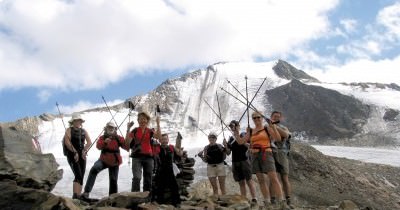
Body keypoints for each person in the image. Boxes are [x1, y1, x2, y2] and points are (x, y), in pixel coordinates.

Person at [235, 111, 287, 209]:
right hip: (254, 156)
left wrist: (273, 127)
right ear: (252, 120)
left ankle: (282, 202)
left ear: (262, 118)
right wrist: (236, 133)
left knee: (273, 178)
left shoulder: (266, 128)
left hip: (266, 153)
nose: (257, 119)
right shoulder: (251, 131)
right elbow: (241, 142)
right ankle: (267, 202)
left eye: (258, 117)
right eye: (254, 118)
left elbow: (278, 138)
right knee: (261, 180)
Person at [81, 122, 127, 200]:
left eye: (112, 128)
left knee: (113, 179)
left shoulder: (118, 137)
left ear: (115, 129)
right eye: (109, 127)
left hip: (114, 161)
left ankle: (112, 198)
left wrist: (119, 136)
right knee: (94, 169)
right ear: (106, 128)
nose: (111, 129)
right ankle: (86, 192)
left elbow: (126, 146)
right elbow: (98, 146)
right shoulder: (103, 137)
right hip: (104, 159)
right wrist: (105, 142)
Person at [125, 111, 161, 192]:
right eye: (141, 119)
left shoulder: (150, 131)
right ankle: (134, 197)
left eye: (144, 119)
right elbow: (127, 143)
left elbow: (159, 137)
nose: (142, 121)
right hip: (137, 157)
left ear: (147, 121)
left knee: (148, 178)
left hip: (149, 157)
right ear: (138, 120)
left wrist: (158, 124)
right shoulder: (134, 131)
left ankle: (146, 197)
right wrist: (128, 129)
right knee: (137, 177)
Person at [226, 120, 257, 204]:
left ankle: (254, 198)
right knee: (241, 182)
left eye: (234, 126)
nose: (233, 128)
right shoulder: (230, 139)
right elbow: (228, 153)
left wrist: (239, 139)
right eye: (231, 127)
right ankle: (244, 199)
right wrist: (226, 146)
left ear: (238, 126)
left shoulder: (243, 135)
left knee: (249, 180)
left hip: (245, 160)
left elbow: (249, 145)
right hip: (235, 162)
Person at [63, 113, 92, 199]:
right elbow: (67, 142)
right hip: (72, 154)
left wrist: (84, 150)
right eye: (76, 120)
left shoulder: (84, 131)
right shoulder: (69, 130)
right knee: (78, 174)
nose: (78, 122)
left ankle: (78, 195)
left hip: (82, 155)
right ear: (73, 121)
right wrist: (74, 152)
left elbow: (89, 142)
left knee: (82, 175)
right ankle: (75, 195)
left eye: (79, 120)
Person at [153, 133, 183, 207]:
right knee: (160, 187)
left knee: (174, 186)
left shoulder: (171, 147)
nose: (164, 141)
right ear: (160, 140)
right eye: (162, 139)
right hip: (161, 170)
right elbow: (154, 153)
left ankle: (176, 203)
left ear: (168, 140)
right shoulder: (158, 147)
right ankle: (160, 204)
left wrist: (180, 149)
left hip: (170, 170)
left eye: (165, 139)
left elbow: (179, 154)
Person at [270, 111, 292, 207]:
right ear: (271, 117)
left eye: (278, 117)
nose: (276, 118)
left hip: (282, 154)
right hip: (271, 153)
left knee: (284, 178)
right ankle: (273, 199)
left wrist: (274, 126)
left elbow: (286, 135)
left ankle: (288, 199)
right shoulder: (267, 127)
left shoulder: (283, 128)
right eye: (274, 117)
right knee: (273, 178)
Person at [197, 131, 227, 197]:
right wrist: (201, 156)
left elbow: (224, 157)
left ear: (216, 139)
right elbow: (205, 160)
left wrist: (225, 150)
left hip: (220, 166)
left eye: (213, 137)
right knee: (214, 188)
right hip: (210, 168)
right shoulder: (206, 148)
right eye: (210, 137)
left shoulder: (220, 146)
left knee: (222, 187)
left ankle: (224, 201)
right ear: (208, 138)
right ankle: (217, 201)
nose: (212, 139)